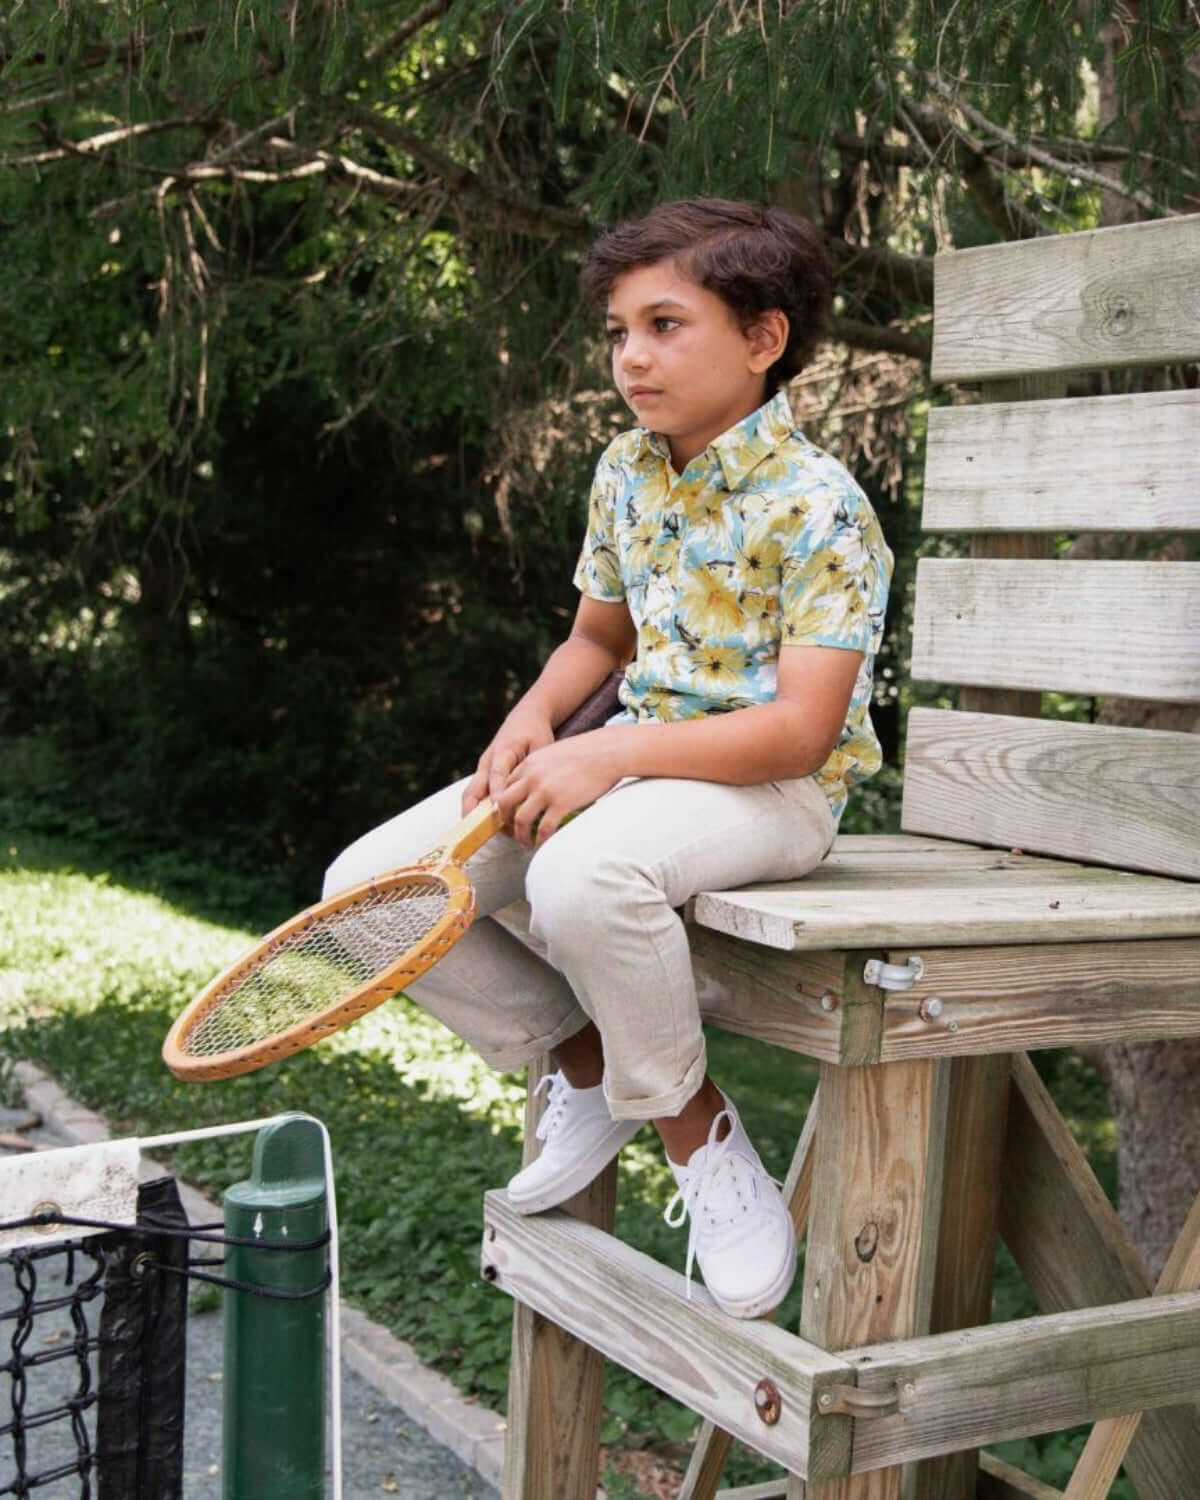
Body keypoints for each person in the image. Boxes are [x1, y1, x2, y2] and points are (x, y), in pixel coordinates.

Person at [323, 198, 893, 1320]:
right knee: (369, 897)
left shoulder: (824, 509)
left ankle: (700, 1136)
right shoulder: (626, 473)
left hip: (770, 791)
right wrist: (533, 720)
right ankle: (579, 1058)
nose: (632, 356)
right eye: (620, 331)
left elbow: (801, 732)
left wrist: (612, 752)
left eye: (666, 325)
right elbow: (599, 639)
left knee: (577, 878)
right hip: (625, 774)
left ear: (763, 339)